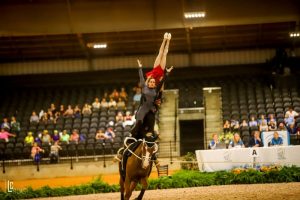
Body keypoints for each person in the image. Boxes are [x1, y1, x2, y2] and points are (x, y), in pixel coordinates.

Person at [131, 59, 173, 139]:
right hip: (143, 108)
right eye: (151, 82)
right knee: (139, 124)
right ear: (148, 82)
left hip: (151, 108)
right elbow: (141, 77)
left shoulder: (156, 89)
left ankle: (149, 134)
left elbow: (162, 81)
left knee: (151, 121)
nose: (152, 83)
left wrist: (167, 72)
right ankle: (133, 135)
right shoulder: (144, 87)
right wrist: (140, 67)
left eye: (154, 82)